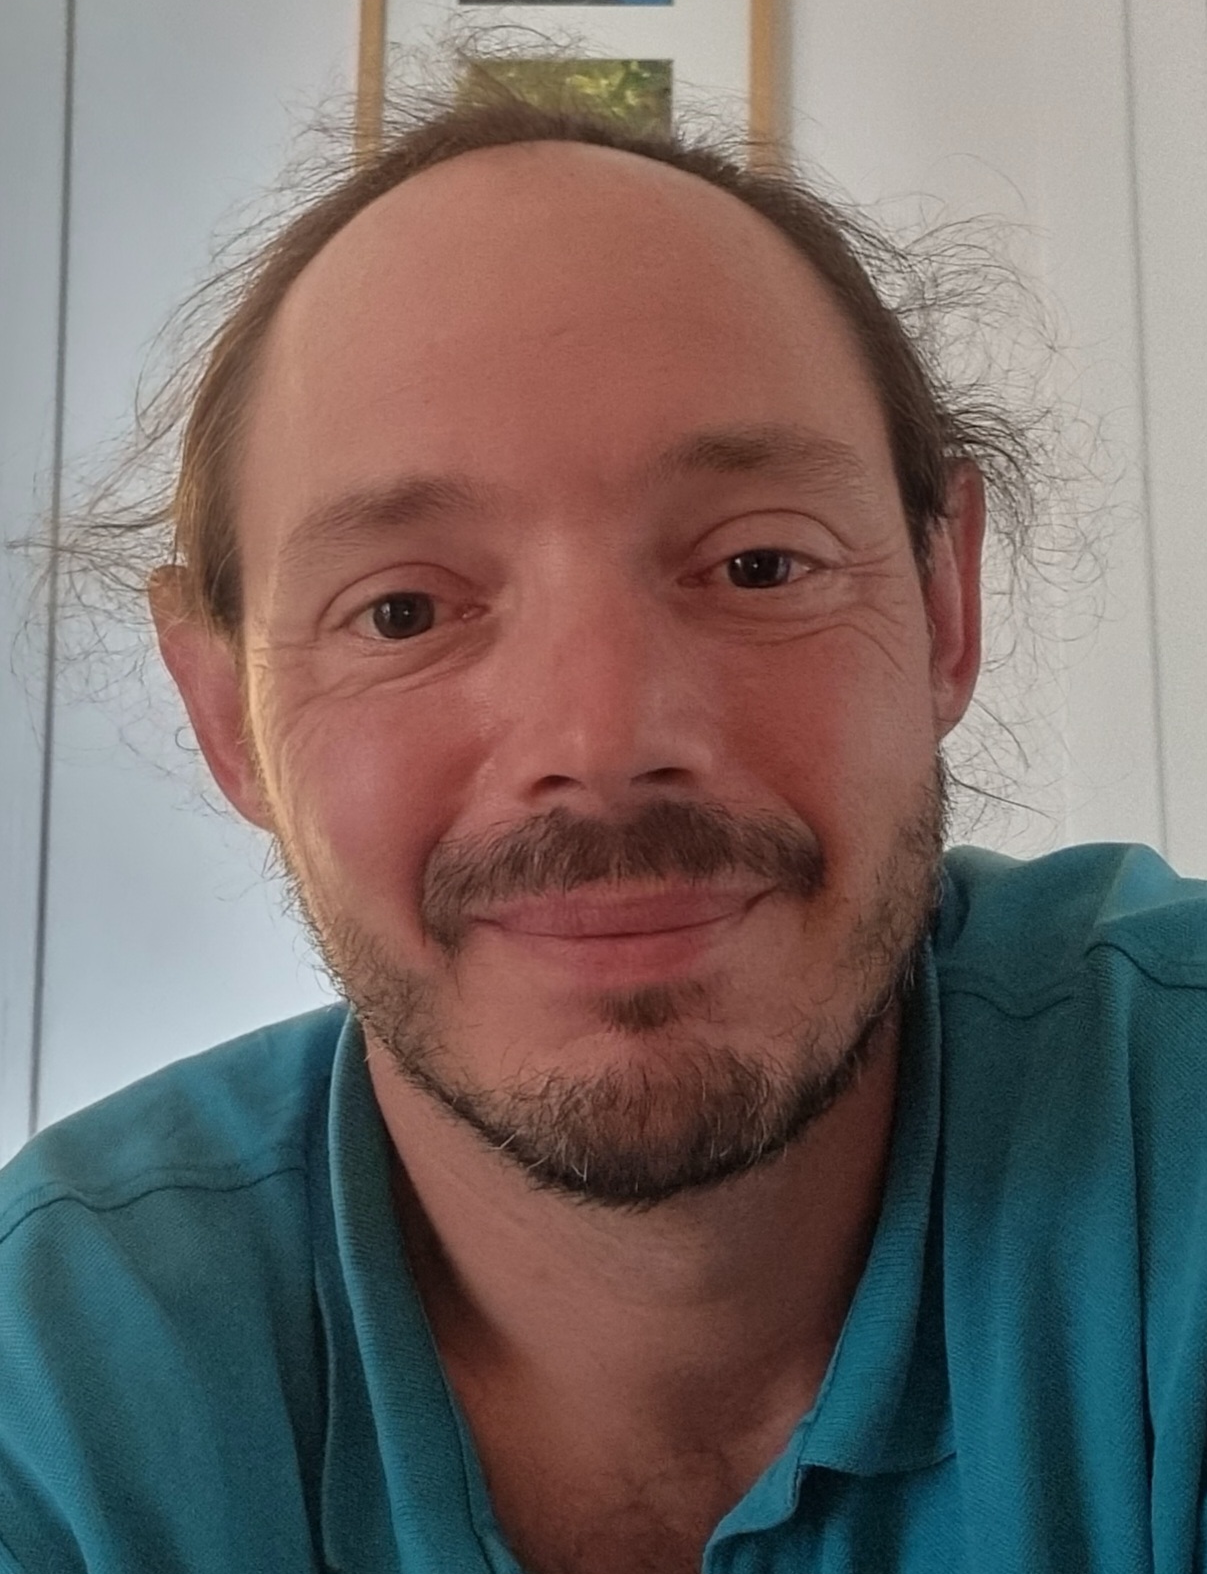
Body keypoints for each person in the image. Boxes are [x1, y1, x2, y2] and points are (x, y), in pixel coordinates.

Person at [1, 86, 1205, 1574]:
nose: (602, 743)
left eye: (759, 566)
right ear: (226, 716)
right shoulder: (55, 1388)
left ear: (945, 607)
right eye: (403, 610)